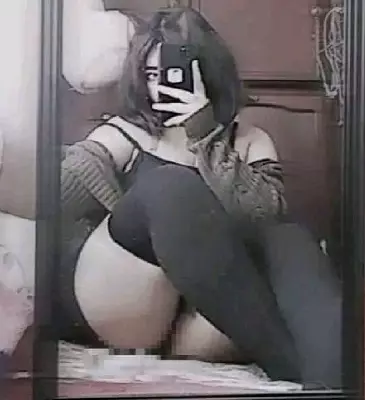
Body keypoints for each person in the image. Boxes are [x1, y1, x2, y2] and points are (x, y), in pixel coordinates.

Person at [59, 7, 342, 388]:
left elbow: (263, 218)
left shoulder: (249, 140)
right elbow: (56, 195)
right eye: (151, 75)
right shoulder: (124, 133)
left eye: (174, 73)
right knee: (171, 186)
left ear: (207, 74)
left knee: (290, 235)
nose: (160, 87)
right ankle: (288, 364)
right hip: (127, 303)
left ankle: (331, 378)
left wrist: (205, 135)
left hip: (208, 318)